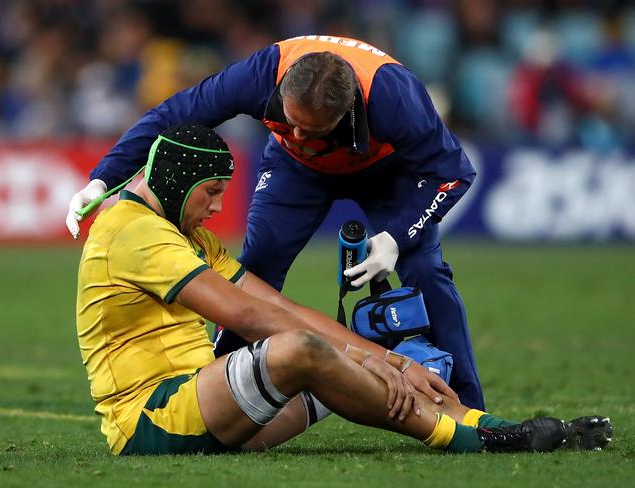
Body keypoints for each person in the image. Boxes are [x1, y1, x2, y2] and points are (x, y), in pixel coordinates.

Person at [76, 124, 611, 456]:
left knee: (348, 347)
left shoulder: (179, 229)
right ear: (177, 184)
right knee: (307, 350)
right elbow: (246, 316)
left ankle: (495, 427)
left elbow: (278, 304)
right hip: (154, 417)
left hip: (204, 405)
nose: (217, 208)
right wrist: (365, 361)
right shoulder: (132, 230)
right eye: (211, 193)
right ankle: (466, 439)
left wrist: (391, 361)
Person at [71, 36, 491, 410]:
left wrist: (398, 238)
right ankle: (218, 391)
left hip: (388, 172)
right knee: (258, 265)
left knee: (426, 272)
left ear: (347, 115)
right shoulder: (260, 75)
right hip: (296, 172)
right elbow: (174, 115)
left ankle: (470, 409)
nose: (294, 134)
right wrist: (103, 178)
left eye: (310, 130)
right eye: (287, 122)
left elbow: (453, 171)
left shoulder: (394, 97)